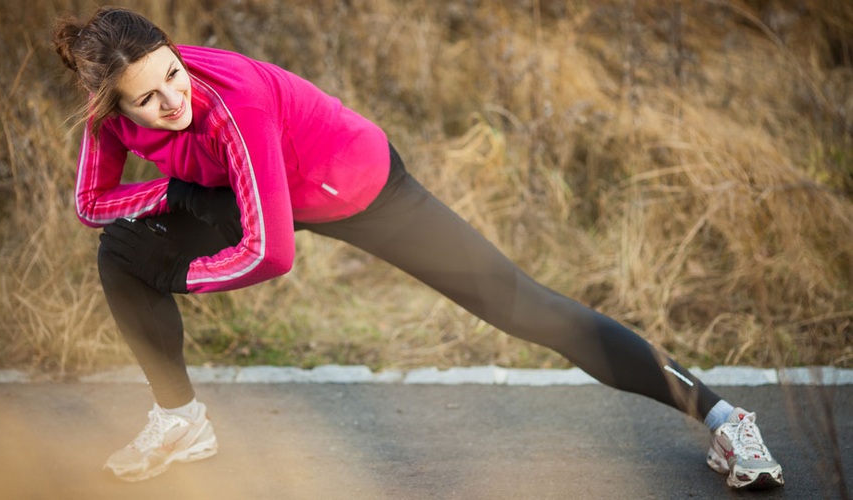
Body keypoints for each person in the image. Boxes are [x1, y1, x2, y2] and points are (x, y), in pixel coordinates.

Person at [51, 6, 784, 489]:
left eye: (174, 73)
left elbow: (273, 255)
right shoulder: (106, 119)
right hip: (242, 194)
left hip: (358, 188)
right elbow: (92, 204)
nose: (174, 99)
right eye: (149, 97)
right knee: (122, 253)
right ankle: (179, 422)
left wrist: (182, 272)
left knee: (524, 307)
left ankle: (722, 418)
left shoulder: (231, 102)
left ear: (179, 54)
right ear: (113, 106)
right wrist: (177, 202)